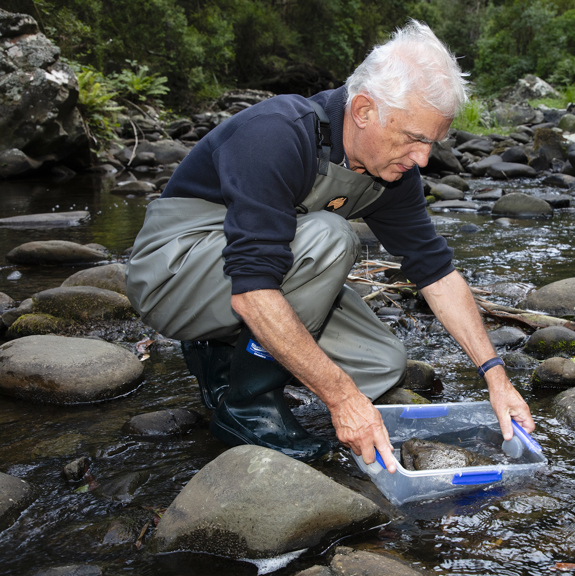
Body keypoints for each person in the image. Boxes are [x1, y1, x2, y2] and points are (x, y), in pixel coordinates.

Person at [125, 20, 534, 473]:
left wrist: (496, 378)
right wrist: (341, 400)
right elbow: (253, 287)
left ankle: (220, 354)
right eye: (415, 138)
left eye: (432, 143)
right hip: (174, 273)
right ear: (363, 110)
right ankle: (246, 409)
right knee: (331, 237)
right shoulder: (276, 133)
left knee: (382, 364)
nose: (423, 158)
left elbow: (435, 272)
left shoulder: (395, 175)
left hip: (251, 274)